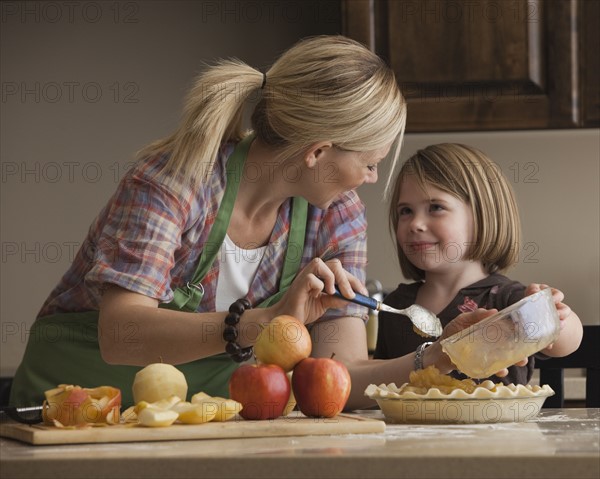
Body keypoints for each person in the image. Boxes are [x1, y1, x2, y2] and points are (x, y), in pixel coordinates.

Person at [9, 35, 526, 412]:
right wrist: (268, 320)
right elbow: (120, 336)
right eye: (369, 164)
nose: (371, 180)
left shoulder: (336, 214)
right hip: (77, 415)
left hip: (207, 419)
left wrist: (434, 358)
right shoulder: (174, 182)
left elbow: (339, 377)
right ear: (318, 151)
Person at [374, 143, 583, 386]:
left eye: (435, 208)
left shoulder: (508, 300)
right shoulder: (394, 306)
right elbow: (380, 383)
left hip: (497, 425)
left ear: (482, 216)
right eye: (406, 211)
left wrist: (553, 316)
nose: (415, 224)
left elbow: (567, 342)